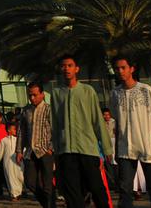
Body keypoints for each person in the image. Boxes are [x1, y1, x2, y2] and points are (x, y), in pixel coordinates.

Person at [49, 54, 111, 208]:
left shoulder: (87, 91)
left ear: (76, 69)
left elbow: (97, 120)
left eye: (70, 65)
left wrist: (107, 148)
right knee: (72, 193)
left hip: (87, 150)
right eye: (63, 66)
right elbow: (55, 124)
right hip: (66, 151)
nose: (66, 69)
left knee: (97, 188)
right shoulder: (56, 94)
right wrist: (56, 151)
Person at [109, 56, 151, 208]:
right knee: (125, 190)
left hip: (147, 147)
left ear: (131, 69)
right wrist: (116, 149)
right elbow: (117, 121)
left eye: (123, 67)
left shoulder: (146, 90)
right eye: (117, 68)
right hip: (125, 148)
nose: (120, 71)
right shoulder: (114, 94)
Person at [16, 82, 54, 208]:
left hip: (45, 151)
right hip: (30, 151)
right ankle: (47, 204)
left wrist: (51, 148)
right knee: (29, 182)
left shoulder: (49, 109)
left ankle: (50, 205)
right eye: (30, 95)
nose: (32, 98)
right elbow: (21, 131)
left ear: (42, 95)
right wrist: (19, 150)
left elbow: (56, 130)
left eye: (35, 95)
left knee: (47, 185)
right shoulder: (26, 110)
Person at [0, 124, 22, 200]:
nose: (15, 131)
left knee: (19, 177)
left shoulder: (19, 140)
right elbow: (0, 153)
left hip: (18, 161)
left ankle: (18, 192)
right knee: (10, 177)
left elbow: (23, 150)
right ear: (9, 130)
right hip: (7, 162)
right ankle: (13, 194)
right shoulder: (4, 140)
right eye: (14, 129)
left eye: (16, 129)